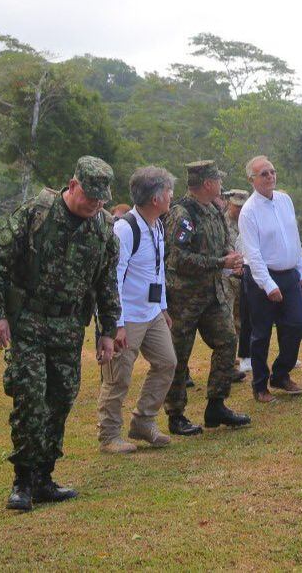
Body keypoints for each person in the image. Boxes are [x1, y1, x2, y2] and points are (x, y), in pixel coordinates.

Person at [0, 156, 121, 512]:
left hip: (69, 327)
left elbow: (107, 284)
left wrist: (107, 331)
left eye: (101, 199)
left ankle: (45, 477)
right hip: (29, 321)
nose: (95, 204)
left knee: (61, 399)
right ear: (73, 186)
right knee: (30, 397)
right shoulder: (36, 214)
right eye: (90, 197)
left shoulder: (104, 228)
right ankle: (23, 481)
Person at [95, 166, 179, 454]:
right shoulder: (125, 229)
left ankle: (143, 421)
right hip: (127, 316)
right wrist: (116, 324)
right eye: (168, 191)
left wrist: (162, 307)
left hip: (151, 313)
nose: (171, 195)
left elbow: (156, 271)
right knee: (118, 378)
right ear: (155, 198)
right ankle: (109, 435)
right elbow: (112, 279)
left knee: (167, 362)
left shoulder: (157, 225)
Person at [163, 161, 250, 434]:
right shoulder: (182, 214)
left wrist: (230, 257)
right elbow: (178, 258)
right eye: (218, 181)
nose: (221, 185)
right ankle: (175, 414)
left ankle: (216, 405)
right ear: (208, 184)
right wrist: (220, 262)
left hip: (213, 293)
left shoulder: (214, 210)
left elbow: (222, 243)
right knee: (179, 354)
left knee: (228, 340)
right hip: (184, 298)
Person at [239, 156, 302, 402]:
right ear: (252, 180)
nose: (270, 176)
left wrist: (300, 268)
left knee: (297, 324)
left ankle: (281, 374)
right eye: (264, 173)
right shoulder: (249, 211)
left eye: (272, 171)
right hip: (262, 277)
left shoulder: (285, 200)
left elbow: (293, 237)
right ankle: (260, 386)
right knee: (261, 333)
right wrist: (268, 285)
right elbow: (252, 254)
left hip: (289, 273)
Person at [223, 189, 252, 379]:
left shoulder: (248, 220)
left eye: (242, 206)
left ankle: (243, 355)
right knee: (227, 320)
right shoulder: (222, 222)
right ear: (229, 204)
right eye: (236, 206)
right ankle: (227, 361)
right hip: (227, 277)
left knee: (243, 319)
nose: (239, 210)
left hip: (245, 275)